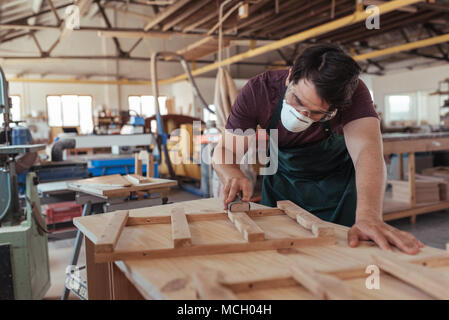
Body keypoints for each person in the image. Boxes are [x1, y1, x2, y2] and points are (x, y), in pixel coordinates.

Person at [212, 44, 423, 254]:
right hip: (282, 185)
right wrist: (232, 172)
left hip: (337, 189)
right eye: (297, 100)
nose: (301, 115)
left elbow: (367, 152)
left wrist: (369, 216)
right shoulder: (259, 91)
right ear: (290, 77)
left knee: (342, 253)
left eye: (316, 113)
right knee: (278, 250)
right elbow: (226, 151)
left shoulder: (354, 93)